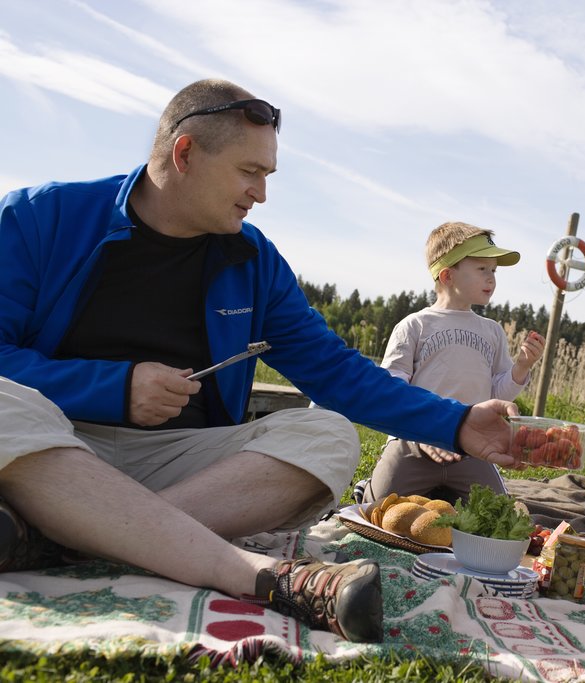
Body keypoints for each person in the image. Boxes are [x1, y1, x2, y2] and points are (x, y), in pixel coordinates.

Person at [0, 79, 522, 643]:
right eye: (250, 172)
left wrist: (457, 423)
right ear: (185, 153)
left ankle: (68, 533)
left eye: (267, 176)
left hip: (183, 467)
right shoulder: (39, 218)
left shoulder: (253, 259)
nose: (262, 194)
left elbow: (334, 369)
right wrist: (111, 386)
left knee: (327, 435)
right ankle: (227, 565)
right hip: (48, 448)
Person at [363, 221, 545, 505]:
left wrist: (521, 367)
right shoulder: (415, 326)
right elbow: (393, 387)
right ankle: (372, 485)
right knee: (378, 510)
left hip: (471, 446)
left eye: (494, 270)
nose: (492, 278)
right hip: (413, 443)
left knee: (498, 513)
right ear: (447, 276)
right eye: (482, 269)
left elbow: (498, 394)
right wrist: (420, 431)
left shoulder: (491, 331)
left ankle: (443, 493)